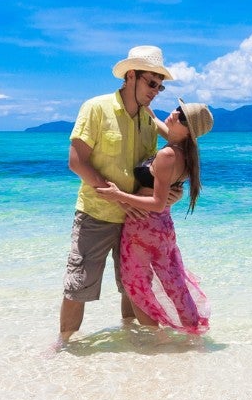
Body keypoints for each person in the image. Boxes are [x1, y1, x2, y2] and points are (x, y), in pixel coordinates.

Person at [58, 45, 180, 349]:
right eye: (151, 83)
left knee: (133, 286)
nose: (155, 91)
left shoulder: (147, 122)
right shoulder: (96, 108)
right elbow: (76, 161)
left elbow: (150, 170)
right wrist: (119, 198)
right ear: (131, 76)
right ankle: (64, 347)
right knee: (79, 285)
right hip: (96, 214)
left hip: (134, 219)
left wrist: (168, 193)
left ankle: (130, 341)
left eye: (159, 86)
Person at [95, 99, 214, 337]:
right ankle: (193, 333)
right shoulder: (184, 151)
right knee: (174, 283)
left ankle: (154, 338)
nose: (173, 113)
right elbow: (156, 120)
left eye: (180, 116)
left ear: (188, 130)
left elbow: (158, 203)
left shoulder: (168, 155)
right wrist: (143, 104)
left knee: (136, 284)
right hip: (162, 228)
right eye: (177, 109)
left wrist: (120, 196)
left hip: (143, 226)